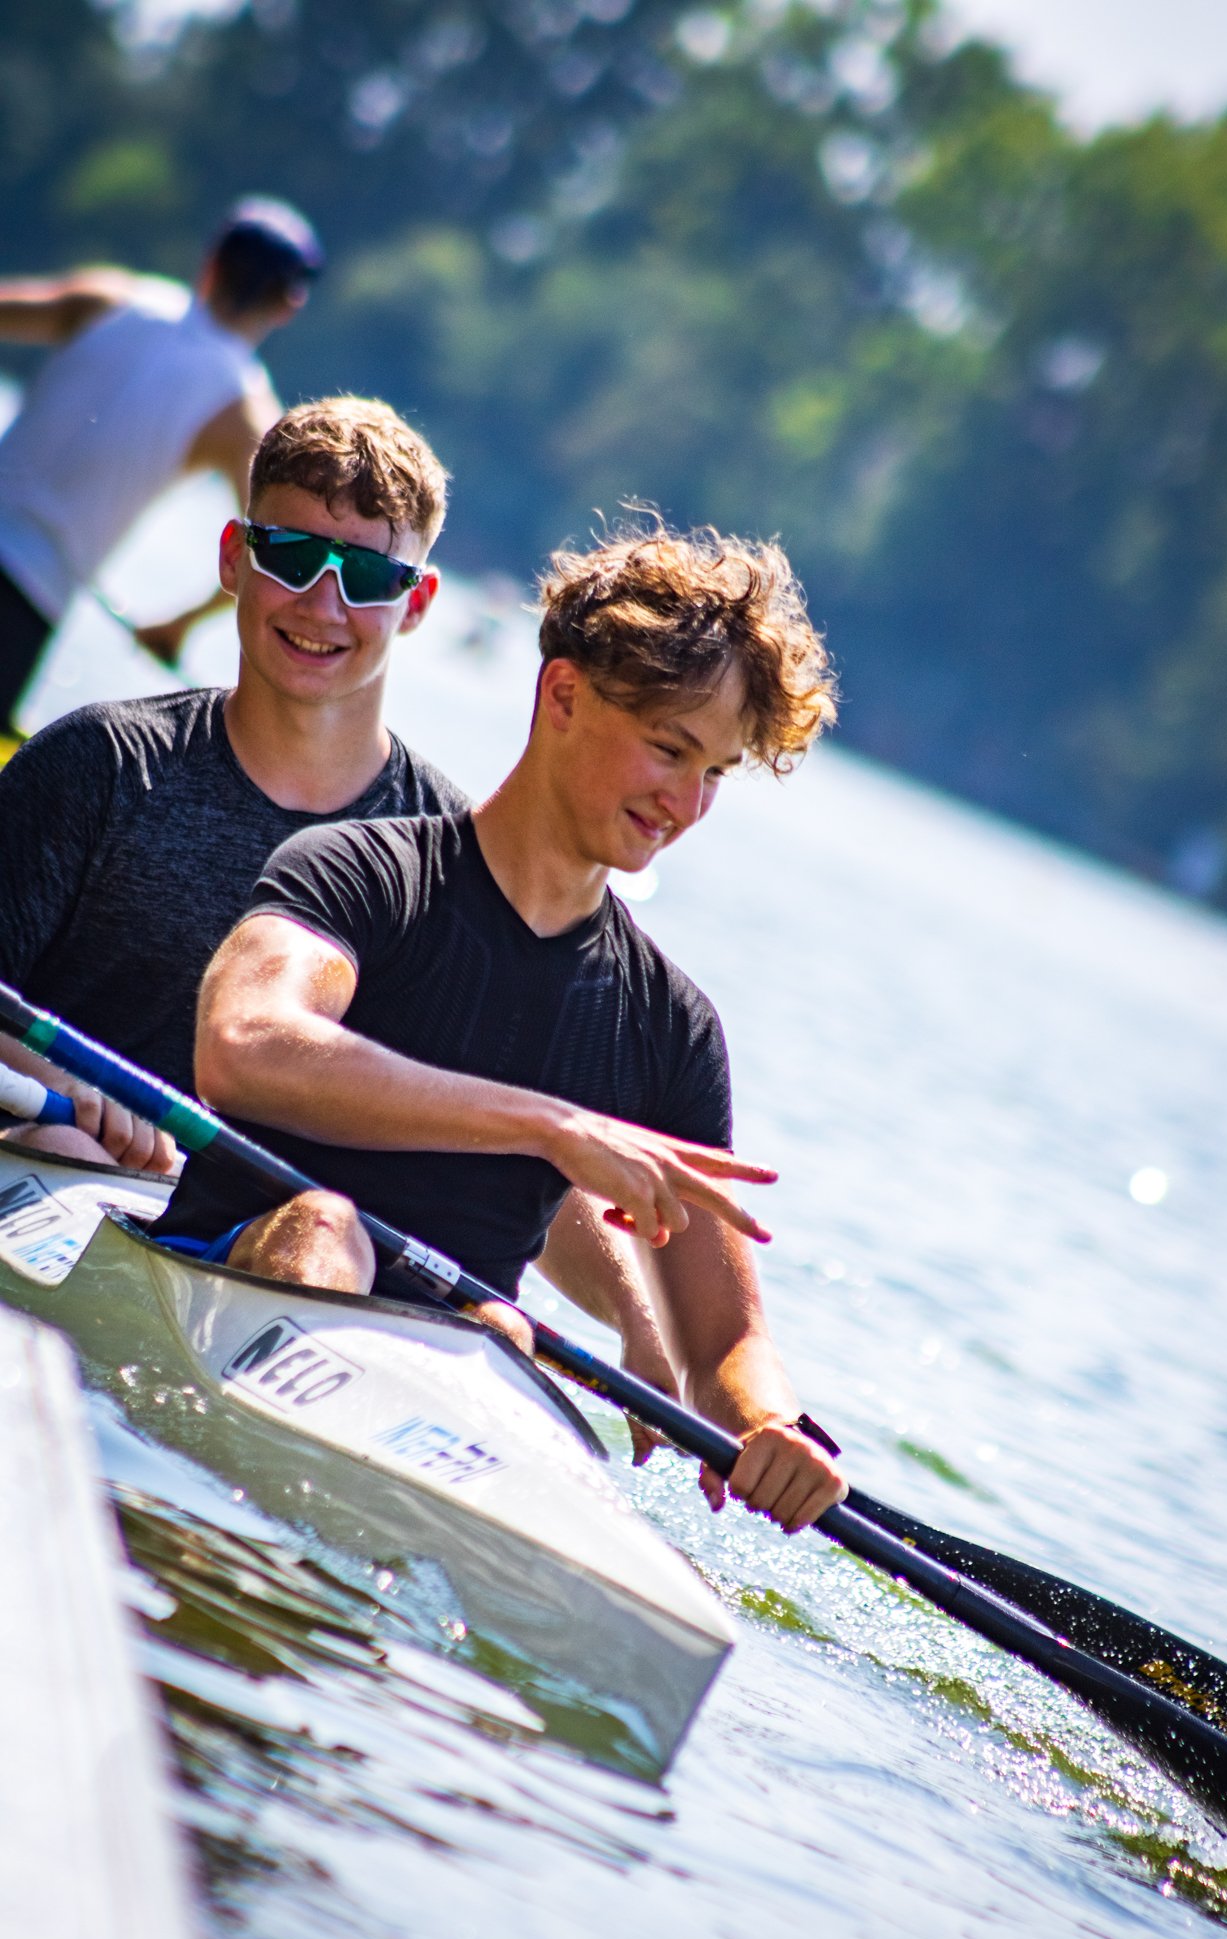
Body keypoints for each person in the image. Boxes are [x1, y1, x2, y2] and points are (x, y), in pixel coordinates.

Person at [154, 521, 848, 1529]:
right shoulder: (359, 872)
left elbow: (723, 1345)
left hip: (445, 1351)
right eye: (669, 748)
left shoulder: (671, 1029)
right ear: (563, 694)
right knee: (327, 1227)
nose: (687, 801)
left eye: (716, 771)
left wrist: (776, 1422)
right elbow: (244, 1047)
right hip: (230, 1263)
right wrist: (549, 1126)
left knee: (498, 1325)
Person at [0, 396, 690, 1402]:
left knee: (489, 1317)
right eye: (292, 555)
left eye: (366, 574)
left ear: (415, 603)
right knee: (83, 1146)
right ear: (234, 556)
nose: (323, 606)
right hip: (58, 1157)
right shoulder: (101, 763)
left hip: (298, 1252)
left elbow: (508, 1150)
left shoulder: (456, 856)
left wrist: (642, 1330)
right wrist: (73, 1093)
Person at [0, 194, 323, 738]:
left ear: (211, 261)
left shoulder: (110, 296)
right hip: (24, 606)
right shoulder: (240, 406)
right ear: (289, 305)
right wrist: (179, 625)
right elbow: (289, 553)